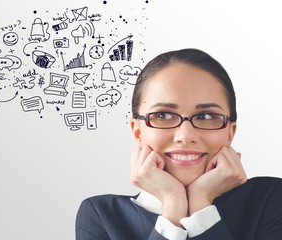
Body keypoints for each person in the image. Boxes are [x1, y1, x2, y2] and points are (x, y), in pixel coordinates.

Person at [75, 48, 282, 239]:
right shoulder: (100, 215)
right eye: (163, 115)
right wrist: (172, 205)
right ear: (137, 130)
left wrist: (201, 202)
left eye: (207, 116)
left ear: (230, 131)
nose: (185, 135)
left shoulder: (270, 200)